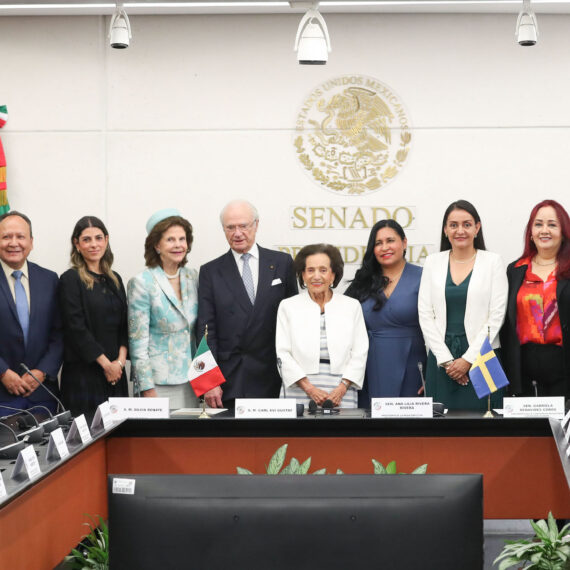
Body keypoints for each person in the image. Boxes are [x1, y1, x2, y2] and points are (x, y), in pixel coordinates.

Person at [197, 200, 297, 408]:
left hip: (274, 376)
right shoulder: (210, 271)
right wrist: (207, 381)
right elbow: (206, 330)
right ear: (223, 229)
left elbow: (293, 323)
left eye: (243, 226)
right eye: (230, 227)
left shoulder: (282, 263)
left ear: (256, 225)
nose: (237, 233)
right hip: (230, 379)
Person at [418, 200, 508, 411]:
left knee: (486, 427)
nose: (460, 230)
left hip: (483, 356)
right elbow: (424, 314)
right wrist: (448, 363)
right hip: (442, 359)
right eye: (453, 225)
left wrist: (468, 360)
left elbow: (497, 316)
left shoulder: (493, 262)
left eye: (467, 224)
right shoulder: (432, 262)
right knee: (440, 431)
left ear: (477, 228)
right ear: (445, 230)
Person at [276, 244, 368, 408]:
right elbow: (282, 353)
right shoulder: (288, 306)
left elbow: (360, 351)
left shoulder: (351, 306)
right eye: (310, 270)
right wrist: (309, 388)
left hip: (341, 389)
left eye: (323, 270)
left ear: (333, 275)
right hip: (298, 386)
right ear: (302, 275)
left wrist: (342, 388)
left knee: (340, 433)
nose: (316, 276)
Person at [345, 220, 425, 406]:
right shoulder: (362, 281)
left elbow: (439, 328)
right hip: (370, 368)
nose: (384, 247)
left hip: (414, 368)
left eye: (390, 240)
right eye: (378, 243)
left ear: (404, 243)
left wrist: (433, 376)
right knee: (372, 431)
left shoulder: (424, 276)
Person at [128, 208, 199, 409]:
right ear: (157, 245)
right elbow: (137, 342)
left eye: (182, 239)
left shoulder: (193, 276)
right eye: (170, 240)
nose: (178, 245)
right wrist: (146, 387)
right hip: (159, 384)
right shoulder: (142, 282)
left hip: (193, 380)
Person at [500, 199, 570, 399]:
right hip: (524, 367)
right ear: (530, 232)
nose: (544, 230)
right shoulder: (515, 270)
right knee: (528, 429)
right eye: (538, 224)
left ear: (563, 232)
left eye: (552, 225)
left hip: (563, 366)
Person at [59, 216, 128, 417]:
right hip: (84, 377)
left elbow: (125, 327)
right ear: (76, 244)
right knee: (88, 441)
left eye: (98, 238)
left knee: (119, 441)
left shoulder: (115, 279)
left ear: (106, 240)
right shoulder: (70, 280)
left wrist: (119, 364)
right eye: (87, 239)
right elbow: (76, 328)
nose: (94, 244)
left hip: (116, 375)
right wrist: (106, 365)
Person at [0, 211, 63, 415]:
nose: (14, 243)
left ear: (31, 242)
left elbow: (60, 334)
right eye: (6, 237)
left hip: (43, 395)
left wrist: (41, 372)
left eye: (20, 236)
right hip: (2, 395)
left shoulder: (49, 279)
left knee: (47, 447)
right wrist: (2, 372)